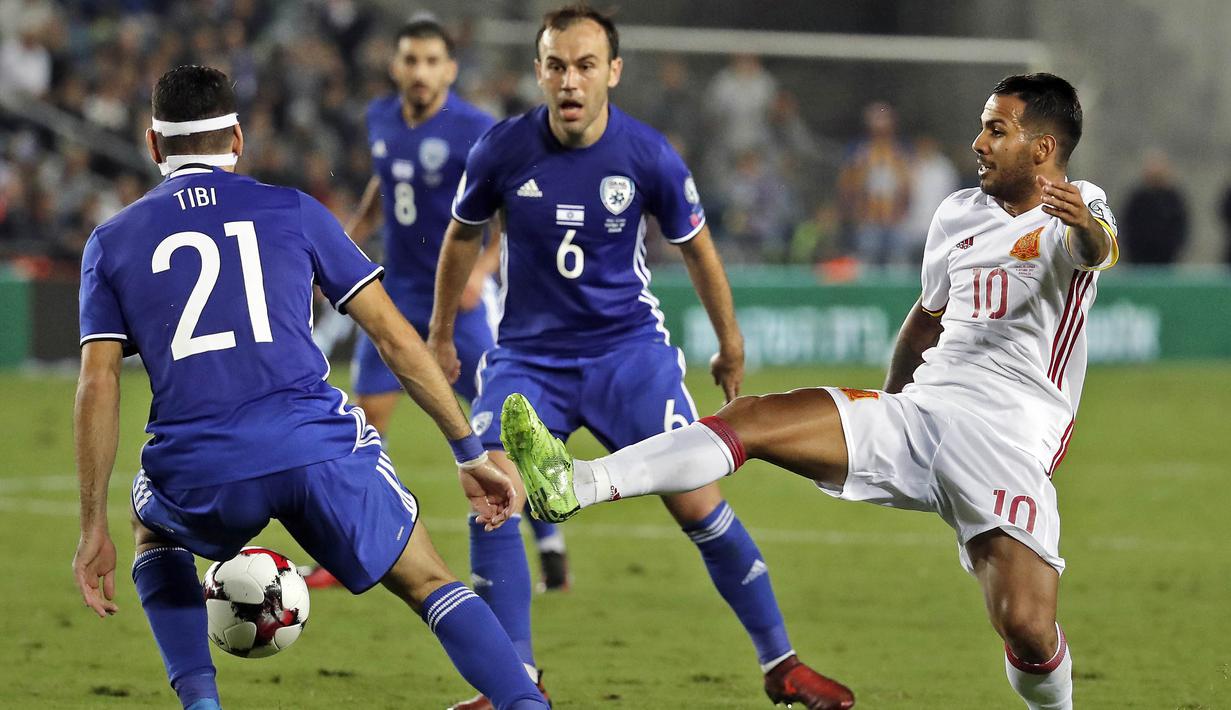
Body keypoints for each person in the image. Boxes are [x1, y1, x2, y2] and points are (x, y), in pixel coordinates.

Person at [507, 72, 1116, 710]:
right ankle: (574, 483)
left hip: (1008, 442)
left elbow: (1095, 248)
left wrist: (1083, 223)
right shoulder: (957, 213)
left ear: (1043, 149)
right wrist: (886, 411)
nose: (978, 142)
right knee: (752, 418)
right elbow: (926, 318)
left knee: (1025, 625)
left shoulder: (1077, 210)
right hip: (922, 415)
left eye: (997, 130)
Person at [70, 65, 549, 710]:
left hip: (203, 462)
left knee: (151, 531)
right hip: (316, 446)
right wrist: (469, 452)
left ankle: (202, 704)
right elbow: (396, 339)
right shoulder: (293, 209)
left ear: (153, 145)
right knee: (430, 581)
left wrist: (91, 523)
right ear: (238, 138)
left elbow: (97, 384)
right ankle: (525, 705)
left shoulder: (111, 240)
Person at [427, 6, 853, 710]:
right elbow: (460, 239)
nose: (570, 80)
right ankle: (515, 687)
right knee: (493, 492)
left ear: (612, 72)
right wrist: (442, 333)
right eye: (556, 64)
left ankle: (782, 662)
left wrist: (731, 341)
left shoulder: (648, 154)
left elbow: (697, 248)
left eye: (585, 65)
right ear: (538, 70)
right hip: (529, 359)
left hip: (628, 355)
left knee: (697, 502)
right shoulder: (500, 149)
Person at [301, 18, 570, 594]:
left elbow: (512, 208)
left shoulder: (476, 128)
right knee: (368, 422)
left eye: (431, 61)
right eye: (410, 60)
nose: (420, 71)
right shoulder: (379, 119)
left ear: (449, 69)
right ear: (396, 67)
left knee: (506, 423)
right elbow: (381, 190)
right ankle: (356, 549)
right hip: (395, 296)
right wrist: (341, 245)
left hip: (461, 301)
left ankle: (551, 546)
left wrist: (481, 267)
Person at [838, 102, 912, 267]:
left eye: (884, 119)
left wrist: (903, 208)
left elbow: (908, 183)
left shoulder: (899, 151)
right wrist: (853, 209)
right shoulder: (859, 150)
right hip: (868, 215)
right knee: (867, 260)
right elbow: (847, 183)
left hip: (894, 216)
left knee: (897, 263)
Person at [1121, 150, 1187, 265]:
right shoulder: (1137, 199)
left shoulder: (1173, 199)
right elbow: (1128, 224)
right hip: (1138, 260)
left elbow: (1180, 226)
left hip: (1167, 259)